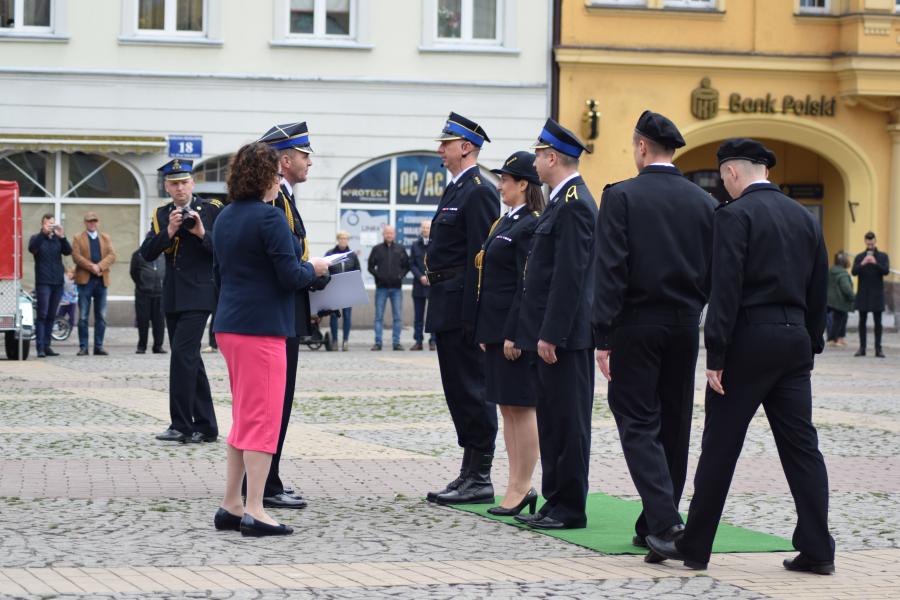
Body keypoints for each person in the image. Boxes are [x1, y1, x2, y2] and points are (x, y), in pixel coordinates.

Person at [647, 139, 835, 575]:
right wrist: (811, 341)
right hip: (793, 341)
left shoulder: (734, 216)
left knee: (720, 446)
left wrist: (716, 353)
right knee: (802, 449)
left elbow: (725, 289)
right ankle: (818, 548)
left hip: (749, 339)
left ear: (731, 173)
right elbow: (818, 284)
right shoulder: (803, 218)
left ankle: (694, 546)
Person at [592, 111, 716, 556]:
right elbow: (712, 271)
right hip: (685, 324)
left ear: (642, 146)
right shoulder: (705, 202)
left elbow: (610, 271)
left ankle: (664, 521)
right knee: (674, 422)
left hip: (636, 323)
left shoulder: (622, 196)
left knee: (638, 420)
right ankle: (653, 521)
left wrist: (602, 335)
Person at [211, 142, 329, 538]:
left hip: (230, 324)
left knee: (243, 418)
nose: (280, 183)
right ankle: (257, 509)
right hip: (262, 328)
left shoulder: (225, 216)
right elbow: (291, 277)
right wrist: (315, 267)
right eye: (277, 176)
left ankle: (232, 503)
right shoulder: (269, 218)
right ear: (266, 177)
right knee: (263, 420)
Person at [513, 119, 597, 530]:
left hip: (565, 338)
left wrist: (552, 333)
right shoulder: (561, 201)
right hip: (551, 334)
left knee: (568, 422)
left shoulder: (576, 203)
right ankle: (555, 498)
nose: (535, 161)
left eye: (538, 153)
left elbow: (571, 276)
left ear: (550, 157)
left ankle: (571, 506)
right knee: (552, 419)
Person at [426, 112, 501, 505]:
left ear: (465, 147)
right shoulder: (456, 188)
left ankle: (481, 475)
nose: (440, 149)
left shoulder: (478, 191)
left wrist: (477, 314)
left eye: (446, 143)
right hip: (445, 302)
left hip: (463, 308)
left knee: (473, 388)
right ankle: (468, 469)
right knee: (458, 389)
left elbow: (481, 258)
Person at [255, 121, 321, 509]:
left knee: (278, 402)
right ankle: (264, 484)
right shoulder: (275, 201)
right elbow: (282, 263)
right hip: (277, 314)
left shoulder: (286, 198)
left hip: (288, 310)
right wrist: (312, 273)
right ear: (285, 159)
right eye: (304, 154)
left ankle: (271, 478)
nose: (309, 161)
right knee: (272, 403)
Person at [476, 151, 543, 516]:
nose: (499, 184)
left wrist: (517, 334)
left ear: (523, 184)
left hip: (515, 332)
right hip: (497, 329)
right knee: (507, 408)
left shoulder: (530, 224)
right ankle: (515, 483)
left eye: (505, 179)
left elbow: (525, 284)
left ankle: (523, 484)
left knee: (522, 407)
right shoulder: (506, 222)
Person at [141, 159, 222, 444]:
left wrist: (200, 232)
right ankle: (207, 426)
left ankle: (182, 425)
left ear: (193, 183)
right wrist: (170, 231)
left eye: (184, 182)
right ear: (166, 186)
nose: (179, 188)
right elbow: (147, 253)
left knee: (181, 358)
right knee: (191, 360)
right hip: (173, 295)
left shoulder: (211, 209)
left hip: (200, 294)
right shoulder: (162, 213)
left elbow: (222, 250)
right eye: (174, 183)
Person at [71, 212, 116, 356]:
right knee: (83, 316)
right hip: (85, 282)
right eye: (90, 221)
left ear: (98, 222)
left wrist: (100, 266)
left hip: (101, 281)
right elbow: (76, 257)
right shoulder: (78, 238)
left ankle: (99, 346)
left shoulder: (105, 237)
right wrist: (92, 267)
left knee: (101, 316)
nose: (92, 223)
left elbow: (112, 255)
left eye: (95, 221)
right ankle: (83, 347)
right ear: (85, 223)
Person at [28, 214, 71, 358]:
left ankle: (47, 346)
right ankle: (40, 347)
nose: (50, 226)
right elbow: (32, 249)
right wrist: (43, 234)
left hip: (58, 282)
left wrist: (62, 236)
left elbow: (68, 251)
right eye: (48, 224)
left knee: (52, 315)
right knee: (42, 315)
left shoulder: (58, 239)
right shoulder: (36, 238)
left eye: (52, 224)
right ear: (42, 224)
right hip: (43, 282)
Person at [368, 225, 410, 351]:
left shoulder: (400, 249)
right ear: (383, 234)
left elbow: (407, 266)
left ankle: (396, 343)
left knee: (397, 317)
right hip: (381, 288)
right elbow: (370, 266)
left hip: (396, 288)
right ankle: (378, 342)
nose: (389, 235)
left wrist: (400, 276)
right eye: (387, 233)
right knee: (378, 317)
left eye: (391, 233)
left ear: (394, 234)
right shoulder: (376, 249)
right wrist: (378, 276)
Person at [852, 232, 889, 358]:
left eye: (872, 242)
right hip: (863, 294)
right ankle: (862, 348)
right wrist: (863, 263)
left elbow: (886, 271)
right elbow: (854, 272)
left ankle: (878, 349)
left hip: (877, 295)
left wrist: (875, 262)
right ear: (865, 242)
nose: (870, 244)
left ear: (875, 241)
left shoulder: (883, 256)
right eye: (868, 243)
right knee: (862, 322)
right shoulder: (859, 256)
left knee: (878, 323)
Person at [325, 230, 360, 351]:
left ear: (348, 241)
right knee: (334, 316)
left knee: (347, 316)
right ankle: (334, 340)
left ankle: (345, 341)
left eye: (345, 239)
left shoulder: (352, 255)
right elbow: (325, 270)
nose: (343, 241)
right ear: (338, 239)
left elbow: (357, 271)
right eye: (341, 238)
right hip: (334, 289)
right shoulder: (330, 253)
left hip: (348, 290)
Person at [130, 247, 166, 354]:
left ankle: (158, 346)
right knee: (143, 320)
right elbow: (133, 272)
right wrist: (142, 284)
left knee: (159, 321)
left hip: (160, 293)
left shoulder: (163, 254)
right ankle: (142, 346)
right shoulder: (138, 254)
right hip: (143, 293)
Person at [409, 221, 435, 351]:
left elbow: (439, 262)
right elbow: (412, 264)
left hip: (433, 286)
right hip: (419, 286)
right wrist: (420, 277)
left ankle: (433, 341)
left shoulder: (436, 244)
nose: (425, 229)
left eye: (428, 227)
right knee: (418, 317)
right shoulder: (415, 245)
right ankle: (418, 341)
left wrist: (431, 276)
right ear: (421, 229)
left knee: (434, 315)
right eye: (423, 227)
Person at [826, 251, 854, 348]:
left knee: (833, 319)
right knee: (838, 321)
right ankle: (833, 339)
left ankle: (838, 338)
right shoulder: (843, 274)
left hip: (828, 299)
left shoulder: (831, 270)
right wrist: (852, 297)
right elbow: (846, 288)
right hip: (840, 301)